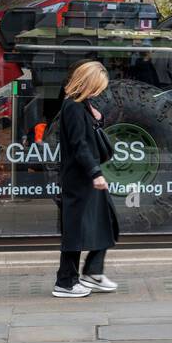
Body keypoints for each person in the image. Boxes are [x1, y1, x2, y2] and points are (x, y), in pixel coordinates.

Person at [53, 61, 119, 299]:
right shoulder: (72, 107)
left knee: (106, 222)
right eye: (98, 86)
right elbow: (79, 145)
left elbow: (87, 139)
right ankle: (65, 282)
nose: (101, 91)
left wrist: (97, 120)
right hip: (79, 179)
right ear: (89, 83)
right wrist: (95, 173)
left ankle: (92, 272)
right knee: (75, 232)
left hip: (87, 178)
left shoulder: (82, 106)